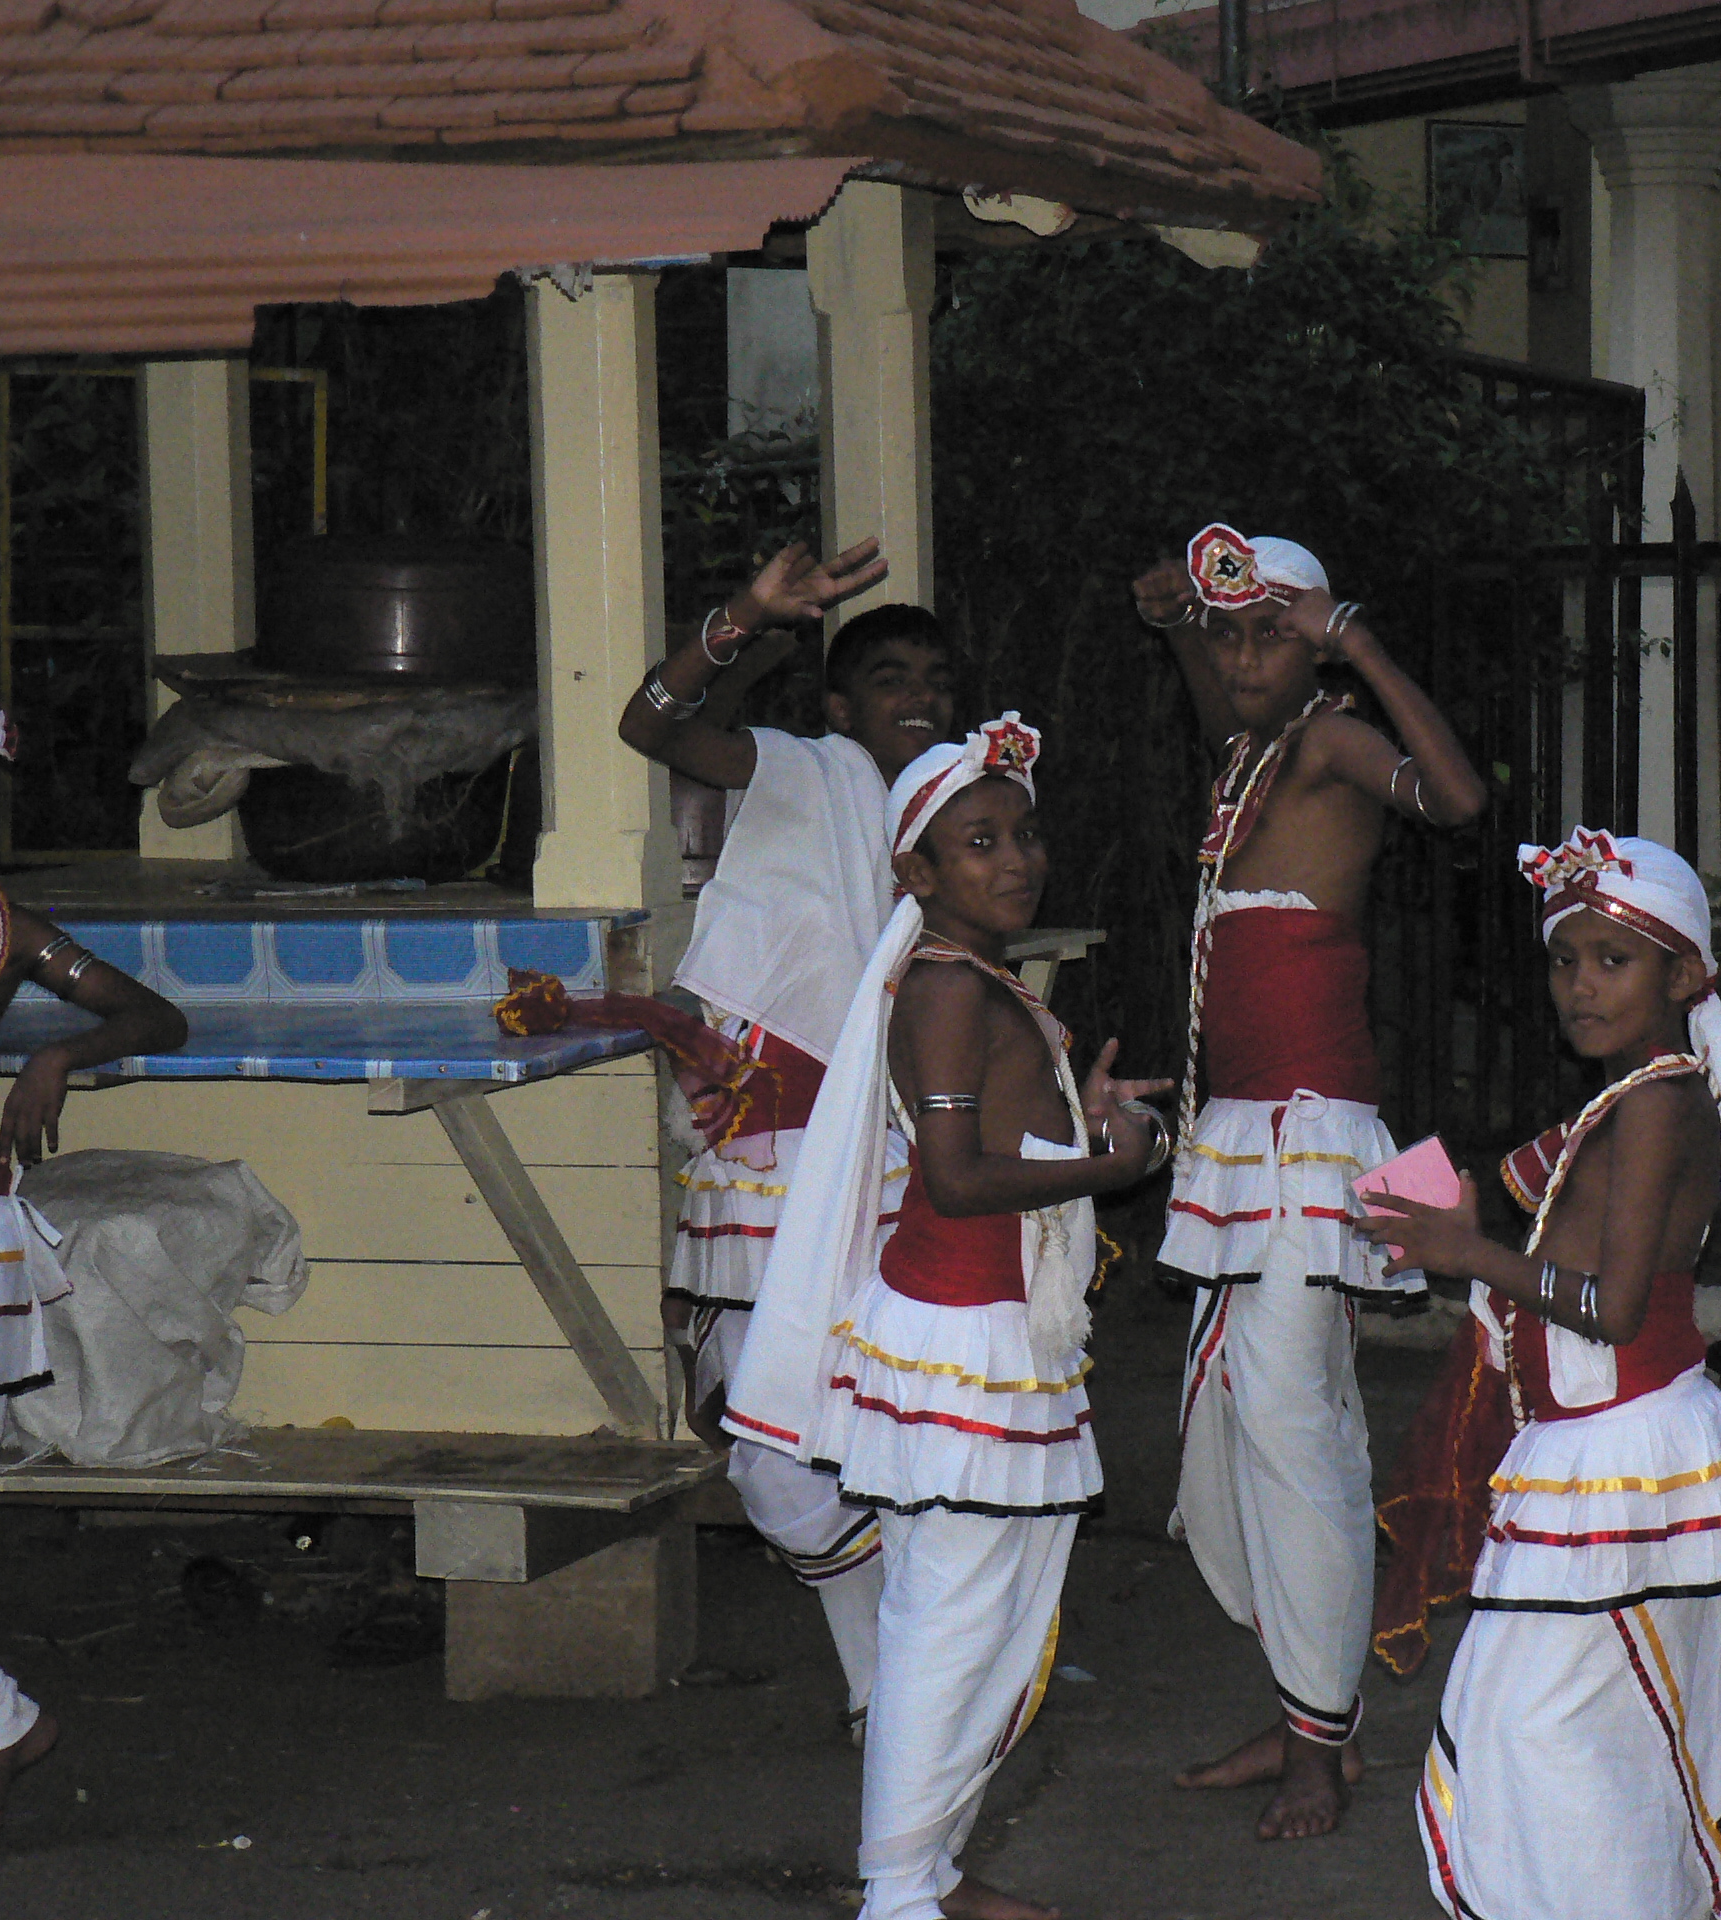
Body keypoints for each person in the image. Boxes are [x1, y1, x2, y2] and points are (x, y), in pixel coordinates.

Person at [722, 717, 1168, 1920]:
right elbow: (959, 1180)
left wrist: (1078, 1114)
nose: (1015, 859)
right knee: (947, 1627)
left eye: (1023, 833)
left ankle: (928, 1874)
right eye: (979, 842)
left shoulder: (971, 980)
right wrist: (1111, 1167)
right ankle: (898, 1896)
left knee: (974, 1622)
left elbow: (990, 1137)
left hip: (979, 1329)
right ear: (915, 873)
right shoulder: (946, 989)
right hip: (963, 1336)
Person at [1354, 828, 1721, 1919]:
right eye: (1565, 960)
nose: (1581, 985)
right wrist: (1463, 1231)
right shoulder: (1637, 1097)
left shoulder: (1658, 1102)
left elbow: (1613, 1311)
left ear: (1686, 976)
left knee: (1540, 1730)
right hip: (1608, 1447)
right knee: (1589, 1731)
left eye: (1613, 960)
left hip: (1622, 1451)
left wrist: (1466, 1255)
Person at [1130, 524, 1485, 1840]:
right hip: (1240, 1141)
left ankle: (1319, 1749)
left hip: (1307, 1136)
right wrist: (1183, 626)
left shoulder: (1331, 737)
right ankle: (1304, 1710)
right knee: (1243, 1425)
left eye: (1267, 637)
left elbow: (1457, 801)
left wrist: (1360, 648)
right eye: (1227, 638)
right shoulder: (1250, 751)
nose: (1240, 660)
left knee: (1290, 1428)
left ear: (1317, 642)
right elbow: (1216, 688)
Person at [615, 537, 951, 1730]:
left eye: (936, 681)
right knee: (768, 1453)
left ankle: (897, 1694)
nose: (918, 698)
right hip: (771, 1150)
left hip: (893, 1160)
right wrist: (742, 618)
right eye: (891, 679)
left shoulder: (963, 811)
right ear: (840, 708)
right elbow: (651, 726)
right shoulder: (806, 771)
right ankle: (905, 1670)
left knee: (880, 1433)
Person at [0, 739, 191, 1829]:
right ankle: (4, 1727)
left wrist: (59, 1055)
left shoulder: (8, 929)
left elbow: (158, 1015)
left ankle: (5, 1729)